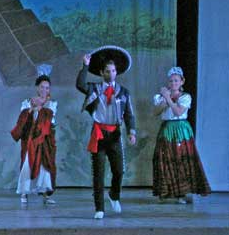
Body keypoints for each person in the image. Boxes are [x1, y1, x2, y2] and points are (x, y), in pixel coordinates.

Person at [76, 46, 137, 219]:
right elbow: (80, 84)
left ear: (116, 72)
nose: (110, 74)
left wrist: (131, 132)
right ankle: (99, 208)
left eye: (113, 71)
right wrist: (85, 66)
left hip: (115, 135)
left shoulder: (123, 92)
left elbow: (129, 114)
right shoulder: (94, 89)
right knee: (99, 173)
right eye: (107, 71)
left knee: (118, 171)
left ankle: (114, 195)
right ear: (102, 73)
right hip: (99, 134)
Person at [152, 66, 211, 203]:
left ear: (182, 82)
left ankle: (181, 193)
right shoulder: (159, 97)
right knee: (164, 159)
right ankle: (165, 191)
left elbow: (178, 112)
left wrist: (169, 98)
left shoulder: (185, 97)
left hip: (181, 129)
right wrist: (165, 99)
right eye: (171, 81)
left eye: (176, 81)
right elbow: (155, 112)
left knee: (181, 159)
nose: (173, 83)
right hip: (167, 129)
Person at [11, 64, 57, 205]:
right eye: (42, 87)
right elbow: (22, 120)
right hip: (31, 139)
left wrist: (42, 109)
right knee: (27, 164)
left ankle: (45, 193)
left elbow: (51, 121)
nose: (44, 90)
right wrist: (31, 109)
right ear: (37, 88)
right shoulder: (27, 102)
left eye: (47, 88)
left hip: (45, 140)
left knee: (46, 166)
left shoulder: (52, 104)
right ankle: (24, 193)